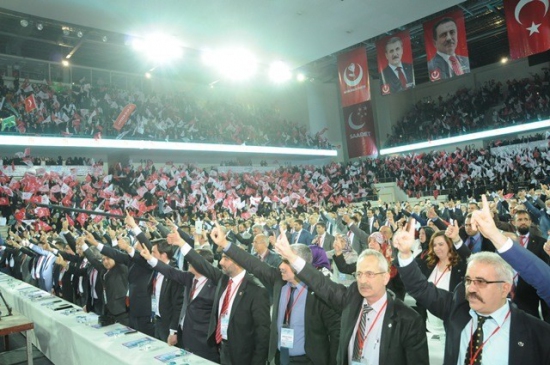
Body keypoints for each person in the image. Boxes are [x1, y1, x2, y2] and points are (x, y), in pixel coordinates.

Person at [394, 218, 550, 365]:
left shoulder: (536, 333)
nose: (471, 288)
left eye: (481, 282)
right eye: (468, 280)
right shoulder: (457, 309)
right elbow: (420, 288)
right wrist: (405, 254)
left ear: (505, 288)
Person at [275, 228, 428, 365]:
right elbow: (321, 284)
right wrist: (291, 258)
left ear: (385, 278)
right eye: (359, 274)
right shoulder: (352, 299)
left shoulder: (408, 320)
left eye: (370, 274)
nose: (363, 280)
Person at [211, 223, 341, 365]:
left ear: (300, 264)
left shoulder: (318, 293)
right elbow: (252, 263)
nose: (280, 266)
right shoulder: (279, 281)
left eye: (286, 261)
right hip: (280, 359)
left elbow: (336, 333)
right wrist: (225, 244)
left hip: (309, 360)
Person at [167, 226, 270, 365]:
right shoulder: (223, 279)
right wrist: (181, 243)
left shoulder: (256, 290)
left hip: (243, 354)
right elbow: (202, 264)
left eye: (225, 259)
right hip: (221, 347)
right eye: (221, 258)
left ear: (238, 262)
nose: (220, 262)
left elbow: (262, 334)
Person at [141, 245, 220, 362]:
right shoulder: (189, 277)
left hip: (203, 343)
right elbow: (170, 271)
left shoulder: (215, 285)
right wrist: (150, 258)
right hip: (185, 337)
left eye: (192, 260)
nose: (189, 262)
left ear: (202, 264)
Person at [471, 194, 550, 307]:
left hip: (531, 295)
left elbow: (537, 271)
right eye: (520, 219)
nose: (523, 222)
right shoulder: (508, 235)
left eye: (526, 219)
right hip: (505, 292)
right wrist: (494, 234)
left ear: (530, 222)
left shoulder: (540, 242)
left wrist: (495, 235)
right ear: (513, 222)